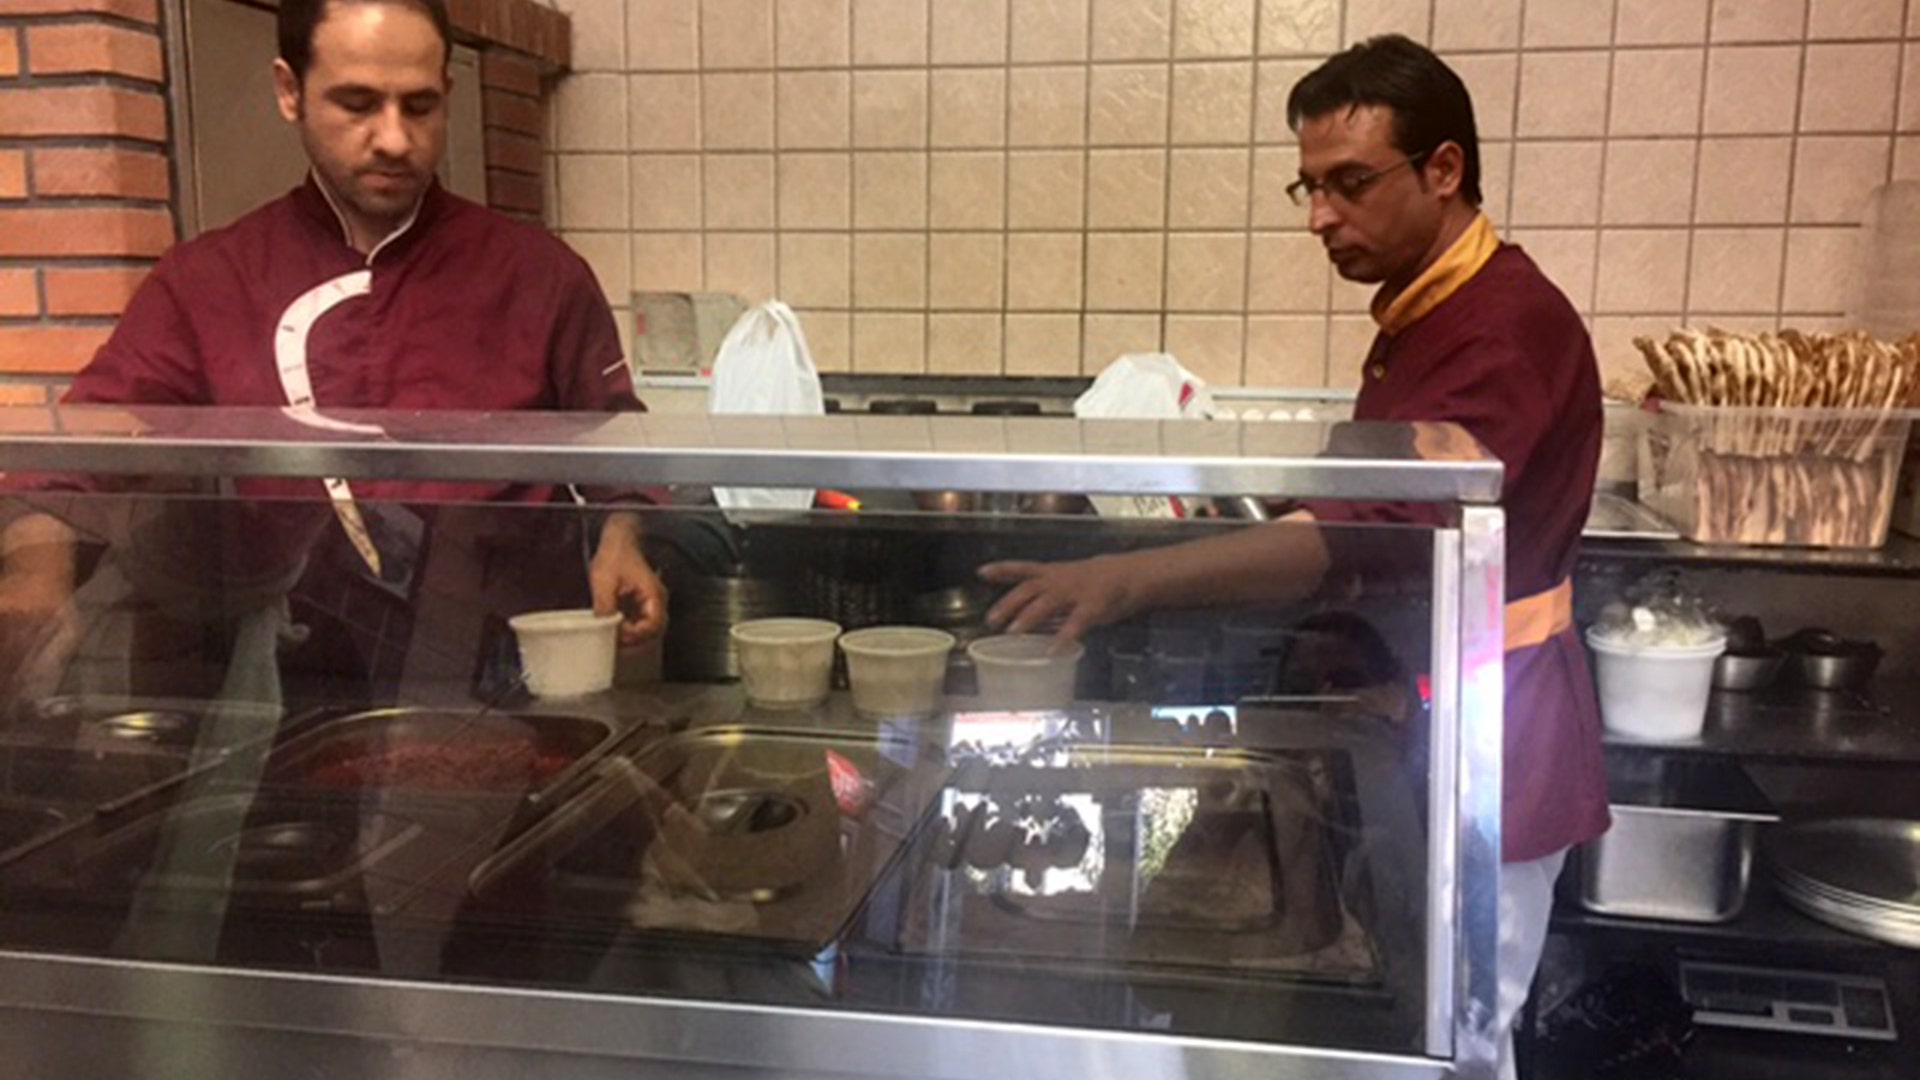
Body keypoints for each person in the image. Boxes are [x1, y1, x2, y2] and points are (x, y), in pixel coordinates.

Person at [982, 35, 1607, 1079]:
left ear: (1443, 169)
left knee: (1457, 1039)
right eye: (1309, 186)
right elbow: (1371, 505)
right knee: (1400, 1018)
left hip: (1496, 736)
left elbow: (1367, 529)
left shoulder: (1502, 329)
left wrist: (1123, 580)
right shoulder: (1431, 306)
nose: (1319, 216)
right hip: (1415, 713)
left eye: (1349, 184)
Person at [0, 0, 667, 698]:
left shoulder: (539, 274)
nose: (395, 139)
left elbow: (620, 450)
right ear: (289, 90)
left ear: (448, 92)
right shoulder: (208, 281)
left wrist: (624, 538)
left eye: (420, 106)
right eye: (357, 104)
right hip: (308, 681)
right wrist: (35, 579)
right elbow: (73, 457)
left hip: (513, 676)